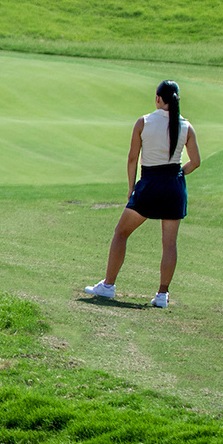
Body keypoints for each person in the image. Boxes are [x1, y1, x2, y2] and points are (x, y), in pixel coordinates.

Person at [85, 80, 200, 308]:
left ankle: (108, 285)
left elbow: (132, 158)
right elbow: (195, 162)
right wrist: (178, 175)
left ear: (158, 98)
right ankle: (162, 295)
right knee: (169, 243)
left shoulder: (144, 122)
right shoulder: (187, 126)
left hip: (150, 184)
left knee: (121, 233)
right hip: (174, 187)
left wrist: (131, 187)